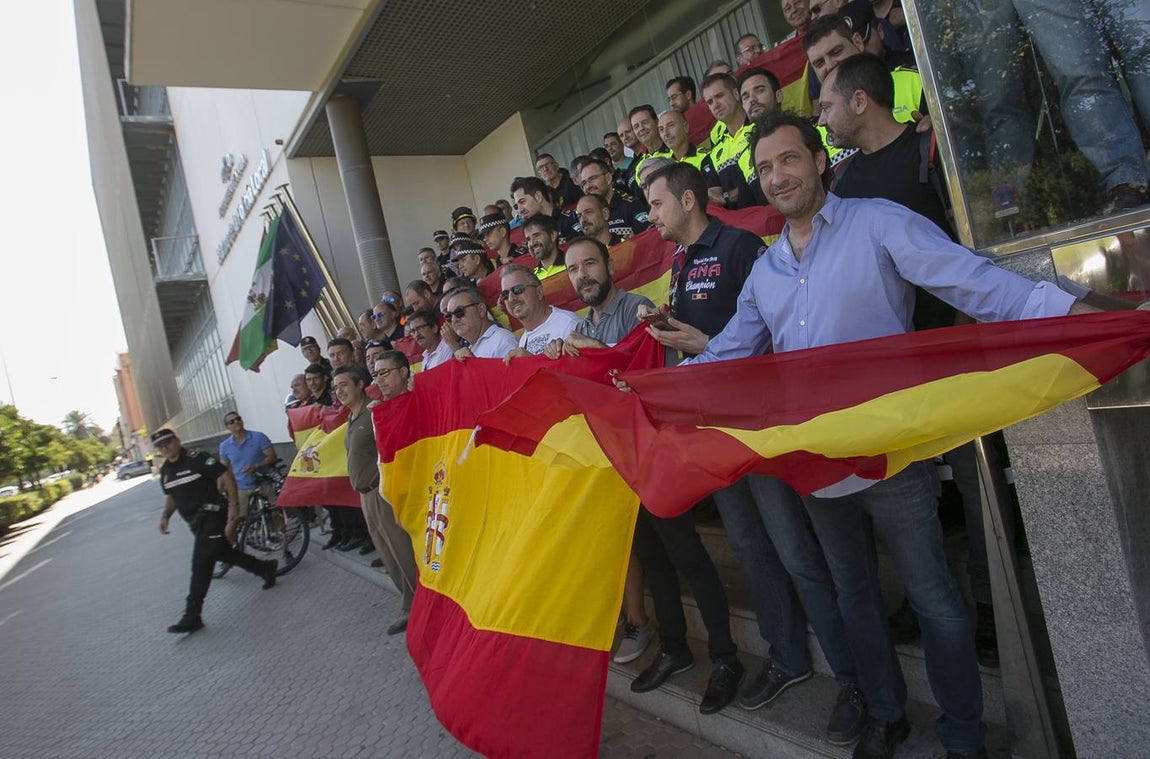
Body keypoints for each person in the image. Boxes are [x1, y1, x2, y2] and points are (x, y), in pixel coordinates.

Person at [678, 113, 1084, 759]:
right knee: (854, 593)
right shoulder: (769, 267)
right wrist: (651, 393)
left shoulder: (879, 221)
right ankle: (887, 714)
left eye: (788, 159)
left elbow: (972, 281)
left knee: (934, 597)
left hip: (894, 455)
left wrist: (1073, 317)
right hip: (817, 464)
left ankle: (961, 733)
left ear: (818, 161)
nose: (777, 175)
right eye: (765, 167)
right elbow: (729, 353)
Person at [155, 428, 277, 634]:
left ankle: (192, 614)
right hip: (194, 522)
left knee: (201, 562)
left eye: (168, 442)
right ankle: (265, 568)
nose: (165, 447)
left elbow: (226, 475)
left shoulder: (197, 458)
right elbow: (172, 495)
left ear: (177, 440)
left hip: (212, 514)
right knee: (222, 552)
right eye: (160, 445)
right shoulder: (166, 471)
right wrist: (165, 516)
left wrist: (233, 505)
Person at [338, 362, 417, 635]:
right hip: (365, 496)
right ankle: (409, 605)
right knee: (387, 554)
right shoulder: (350, 418)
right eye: (336, 387)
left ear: (360, 384)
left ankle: (421, 607)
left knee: (401, 550)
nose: (339, 391)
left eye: (344, 385)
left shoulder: (374, 411)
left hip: (382, 491)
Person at [217, 411, 277, 545]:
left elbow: (272, 456)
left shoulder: (258, 437)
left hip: (263, 482)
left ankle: (284, 548)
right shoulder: (225, 446)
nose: (236, 422)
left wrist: (257, 465)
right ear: (227, 427)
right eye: (231, 421)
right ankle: (229, 550)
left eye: (238, 419)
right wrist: (219, 489)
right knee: (235, 519)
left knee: (275, 513)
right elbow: (223, 470)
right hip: (242, 487)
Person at [499, 264, 581, 357]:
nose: (511, 298)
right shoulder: (523, 340)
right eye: (505, 294)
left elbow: (581, 370)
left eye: (518, 289)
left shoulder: (569, 325)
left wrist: (531, 361)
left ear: (539, 292)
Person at [702, 73, 755, 208]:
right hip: (739, 226)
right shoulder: (714, 155)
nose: (716, 105)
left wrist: (727, 196)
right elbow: (714, 197)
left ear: (736, 94)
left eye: (719, 96)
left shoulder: (761, 130)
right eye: (710, 102)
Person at [578, 159, 650, 238]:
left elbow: (647, 238)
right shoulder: (582, 216)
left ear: (608, 178)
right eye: (584, 183)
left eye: (592, 179)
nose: (588, 186)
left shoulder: (631, 206)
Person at [442, 288, 518, 360]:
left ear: (481, 310)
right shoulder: (468, 349)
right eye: (449, 316)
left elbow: (514, 373)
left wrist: (474, 362)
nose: (454, 319)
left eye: (459, 312)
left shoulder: (503, 339)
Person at [509, 175, 580, 243]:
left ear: (538, 197)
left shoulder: (569, 220)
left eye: (522, 202)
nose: (519, 210)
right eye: (516, 206)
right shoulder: (530, 233)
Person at [521, 214, 567, 279]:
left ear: (552, 235)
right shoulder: (532, 278)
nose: (532, 243)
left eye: (537, 235)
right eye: (528, 239)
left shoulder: (572, 265)